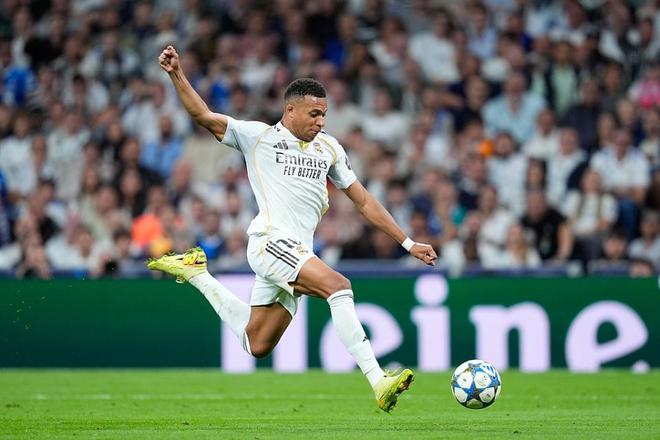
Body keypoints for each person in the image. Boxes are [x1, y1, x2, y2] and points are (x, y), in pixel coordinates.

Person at [148, 46, 437, 412]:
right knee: (339, 286)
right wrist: (176, 73)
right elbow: (202, 115)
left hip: (298, 251)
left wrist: (407, 242)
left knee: (257, 343)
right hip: (270, 242)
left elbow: (364, 201)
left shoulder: (329, 149)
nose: (321, 122)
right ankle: (378, 380)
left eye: (324, 114)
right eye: (314, 114)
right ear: (290, 110)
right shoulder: (258, 137)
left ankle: (197, 274)